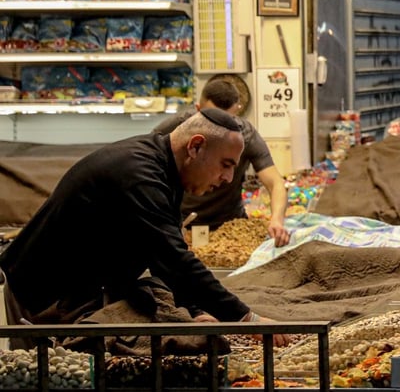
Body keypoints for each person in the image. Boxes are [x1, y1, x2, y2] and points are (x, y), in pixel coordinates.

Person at [0, 109, 273, 327]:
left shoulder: (162, 168)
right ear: (196, 146)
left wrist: (195, 310)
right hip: (36, 303)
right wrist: (247, 318)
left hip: (74, 296)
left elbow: (163, 256)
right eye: (226, 165)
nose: (227, 179)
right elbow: (175, 260)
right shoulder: (138, 174)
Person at [155, 79, 291, 247]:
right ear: (198, 109)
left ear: (237, 113)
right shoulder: (175, 129)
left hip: (229, 228)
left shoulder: (246, 136)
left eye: (228, 120)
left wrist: (277, 219)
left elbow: (275, 182)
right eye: (210, 118)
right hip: (181, 225)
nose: (219, 128)